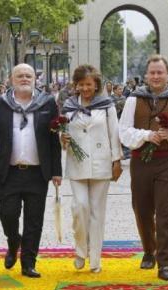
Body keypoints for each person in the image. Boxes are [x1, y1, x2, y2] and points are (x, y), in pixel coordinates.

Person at [119, 54, 168, 281]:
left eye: (160, 72)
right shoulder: (134, 99)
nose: (155, 76)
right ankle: (149, 249)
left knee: (167, 211)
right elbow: (123, 131)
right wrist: (146, 135)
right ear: (146, 75)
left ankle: (165, 263)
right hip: (141, 161)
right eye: (152, 72)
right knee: (142, 209)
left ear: (167, 75)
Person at [0, 63, 62, 279]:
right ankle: (12, 241)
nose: (25, 79)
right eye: (20, 76)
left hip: (38, 172)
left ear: (35, 79)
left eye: (28, 75)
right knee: (7, 213)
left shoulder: (47, 103)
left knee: (34, 220)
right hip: (10, 171)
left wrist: (57, 170)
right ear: (11, 80)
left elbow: (54, 139)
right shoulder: (0, 104)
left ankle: (29, 262)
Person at [61, 65, 123, 273]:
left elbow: (114, 133)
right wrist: (61, 138)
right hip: (76, 164)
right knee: (79, 207)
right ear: (76, 85)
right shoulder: (69, 107)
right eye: (81, 84)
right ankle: (80, 250)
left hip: (101, 162)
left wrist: (117, 161)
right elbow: (61, 131)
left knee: (97, 212)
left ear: (96, 85)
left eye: (89, 84)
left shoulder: (107, 105)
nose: (85, 88)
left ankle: (95, 258)